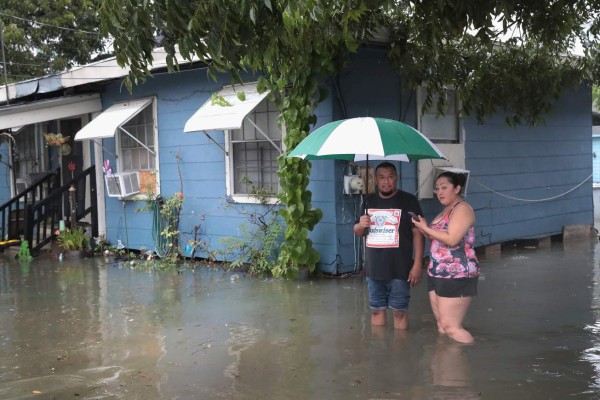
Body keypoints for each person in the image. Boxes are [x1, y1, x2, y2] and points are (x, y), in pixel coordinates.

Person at [354, 162, 425, 329]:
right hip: (374, 269)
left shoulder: (409, 200)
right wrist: (360, 225)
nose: (386, 182)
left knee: (399, 312)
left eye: (390, 177)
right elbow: (358, 232)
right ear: (376, 180)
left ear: (397, 178)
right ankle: (379, 351)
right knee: (376, 311)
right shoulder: (368, 201)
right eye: (382, 177)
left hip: (400, 269)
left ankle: (400, 352)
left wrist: (417, 264)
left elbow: (418, 233)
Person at [411, 171, 479, 344]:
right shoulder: (445, 210)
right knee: (442, 325)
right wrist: (424, 228)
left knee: (452, 327)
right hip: (437, 272)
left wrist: (426, 229)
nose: (439, 192)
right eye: (437, 189)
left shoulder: (462, 209)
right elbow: (436, 237)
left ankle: (472, 357)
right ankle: (446, 363)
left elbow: (452, 239)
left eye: (444, 187)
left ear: (457, 188)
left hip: (457, 274)